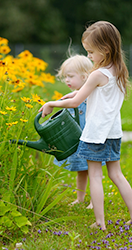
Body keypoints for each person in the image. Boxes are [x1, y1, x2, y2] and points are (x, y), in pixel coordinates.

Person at [39, 21, 132, 230]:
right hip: (113, 132)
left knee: (95, 176)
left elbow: (76, 101)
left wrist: (51, 103)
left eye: (91, 52)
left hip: (95, 134)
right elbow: (90, 93)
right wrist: (71, 94)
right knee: (116, 174)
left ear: (105, 49)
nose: (89, 56)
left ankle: (100, 222)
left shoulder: (98, 74)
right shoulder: (117, 69)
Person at [53, 54, 94, 209]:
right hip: (78, 140)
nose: (67, 80)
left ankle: (93, 201)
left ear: (85, 77)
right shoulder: (75, 95)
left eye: (70, 76)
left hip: (89, 139)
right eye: (65, 77)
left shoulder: (90, 95)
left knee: (93, 171)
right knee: (81, 171)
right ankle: (80, 198)